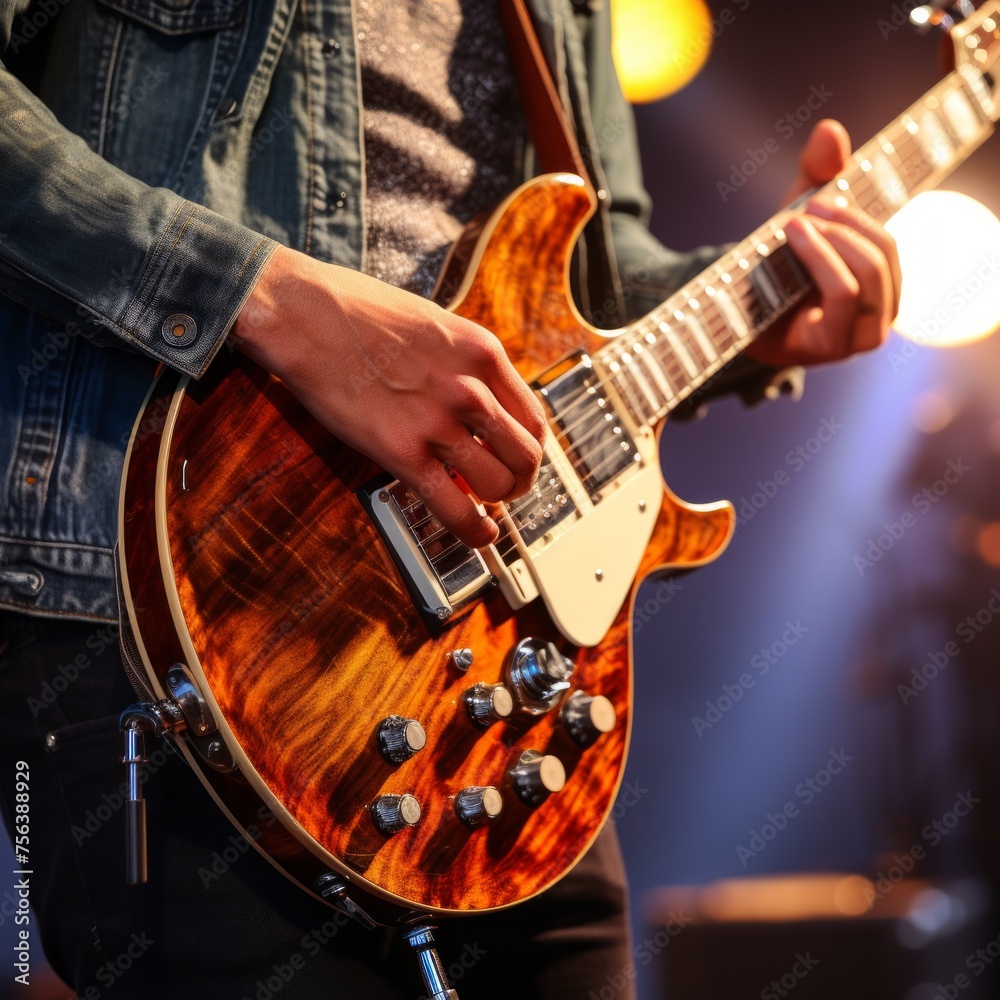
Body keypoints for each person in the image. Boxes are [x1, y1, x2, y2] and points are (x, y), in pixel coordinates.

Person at [0, 0, 899, 997]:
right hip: (168, 593)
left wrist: (763, 304)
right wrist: (266, 300)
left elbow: (596, 274)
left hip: (510, 657)